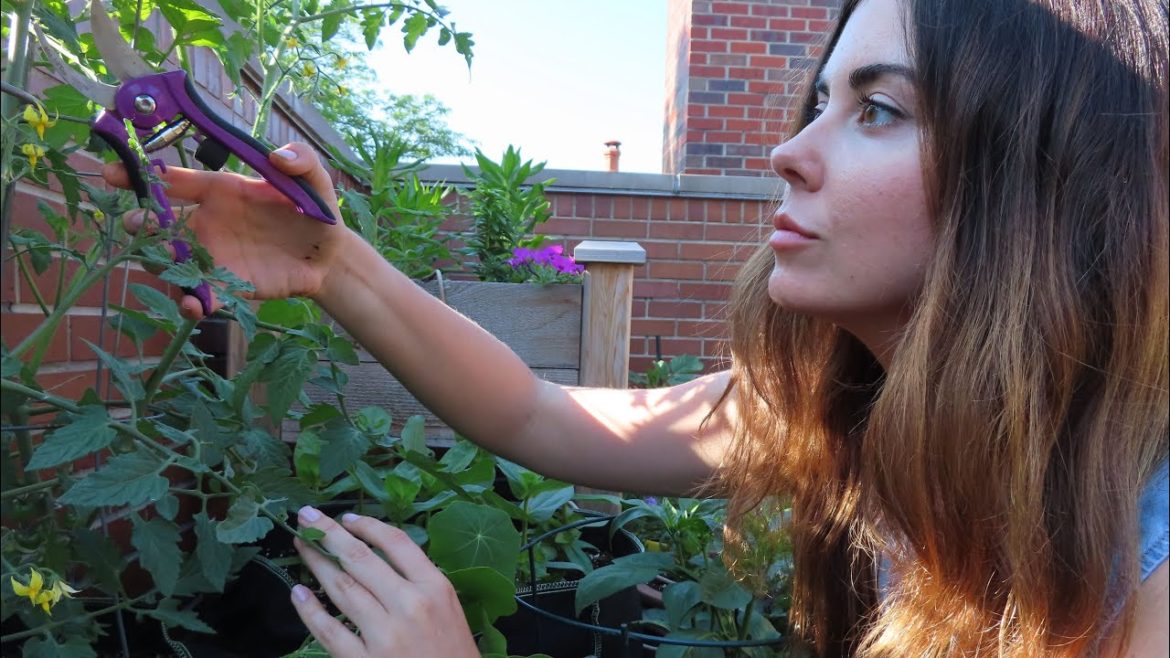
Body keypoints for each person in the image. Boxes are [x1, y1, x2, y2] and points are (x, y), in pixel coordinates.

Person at [101, 0, 1167, 655]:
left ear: (1038, 183)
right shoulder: (850, 413)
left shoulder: (1149, 563)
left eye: (877, 108)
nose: (790, 150)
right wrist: (332, 264)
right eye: (821, 99)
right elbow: (541, 410)